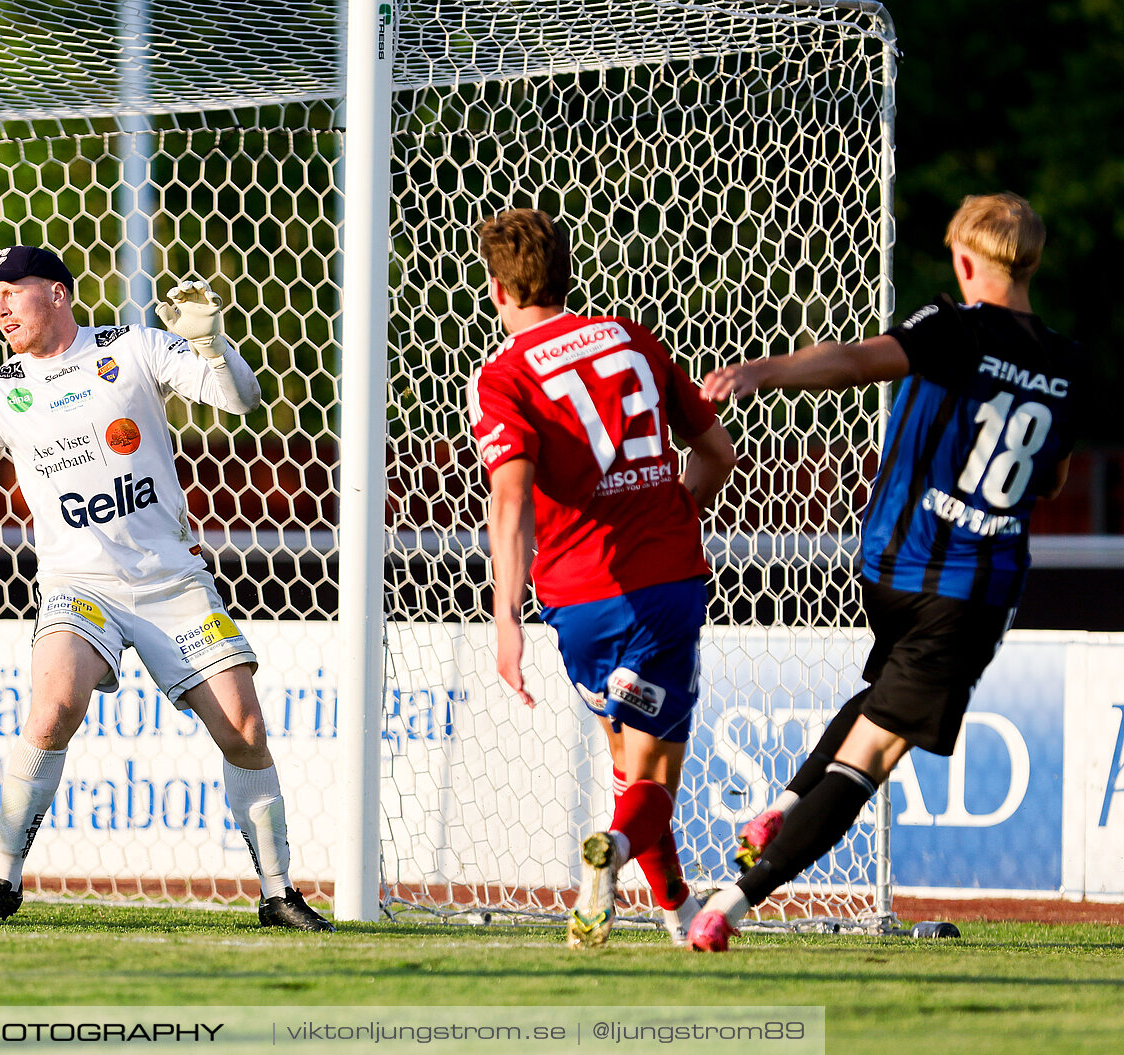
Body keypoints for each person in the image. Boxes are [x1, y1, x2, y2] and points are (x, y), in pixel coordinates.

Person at [0, 245, 333, 931]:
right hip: (80, 588)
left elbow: (240, 399)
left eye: (13, 289)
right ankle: (2, 881)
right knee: (53, 704)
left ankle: (278, 893)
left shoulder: (132, 349)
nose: (1, 306)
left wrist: (213, 348)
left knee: (246, 731)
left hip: (171, 582)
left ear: (60, 294)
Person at [691, 193, 1089, 951]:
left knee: (880, 698)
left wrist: (761, 371)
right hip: (967, 595)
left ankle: (782, 803)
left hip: (891, 572)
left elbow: (851, 362)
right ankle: (734, 903)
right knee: (871, 756)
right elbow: (1053, 480)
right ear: (1031, 263)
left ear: (966, 262)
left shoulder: (952, 326)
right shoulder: (1068, 364)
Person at [467, 209, 739, 948]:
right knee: (655, 774)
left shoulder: (502, 377)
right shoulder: (629, 338)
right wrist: (674, 506)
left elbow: (512, 497)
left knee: (630, 765)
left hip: (576, 601)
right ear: (565, 273)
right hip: (664, 585)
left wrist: (505, 618)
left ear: (496, 289)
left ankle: (679, 917)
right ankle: (611, 854)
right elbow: (716, 452)